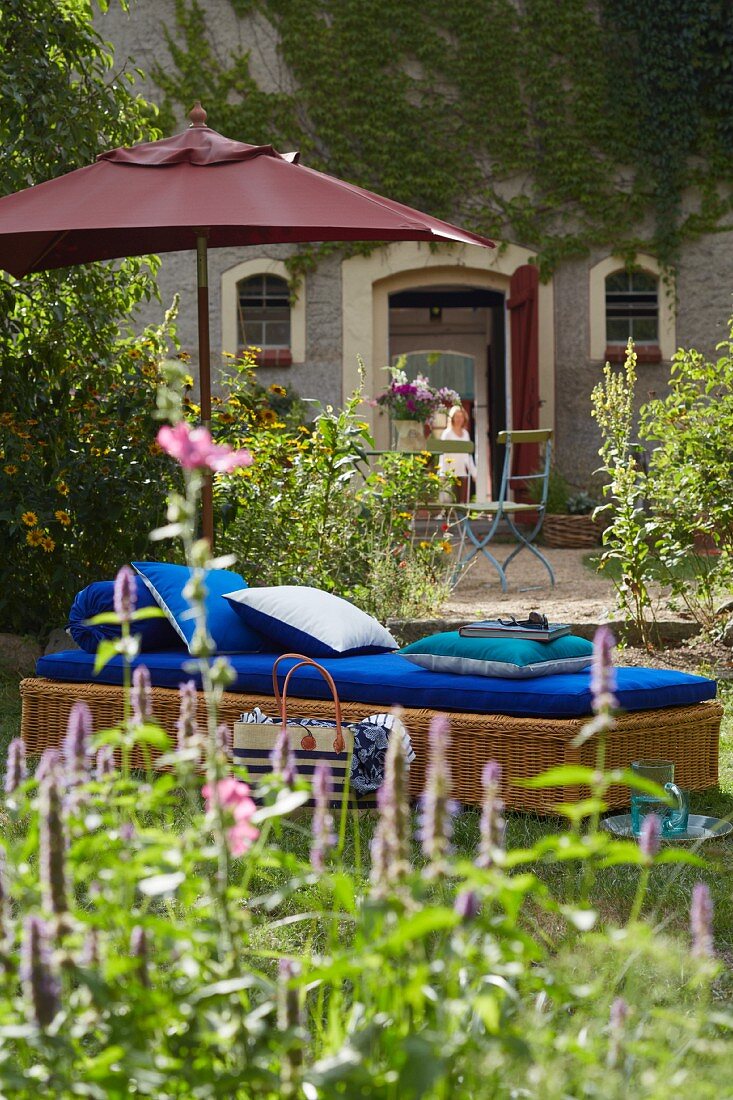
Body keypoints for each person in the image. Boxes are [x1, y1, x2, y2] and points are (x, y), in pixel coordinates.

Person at [438, 405, 477, 503]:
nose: (459, 419)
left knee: (461, 500)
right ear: (452, 418)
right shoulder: (447, 433)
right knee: (449, 500)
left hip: (461, 473)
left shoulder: (465, 434)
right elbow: (443, 455)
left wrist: (474, 472)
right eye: (457, 416)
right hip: (449, 473)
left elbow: (467, 455)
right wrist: (443, 473)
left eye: (461, 416)